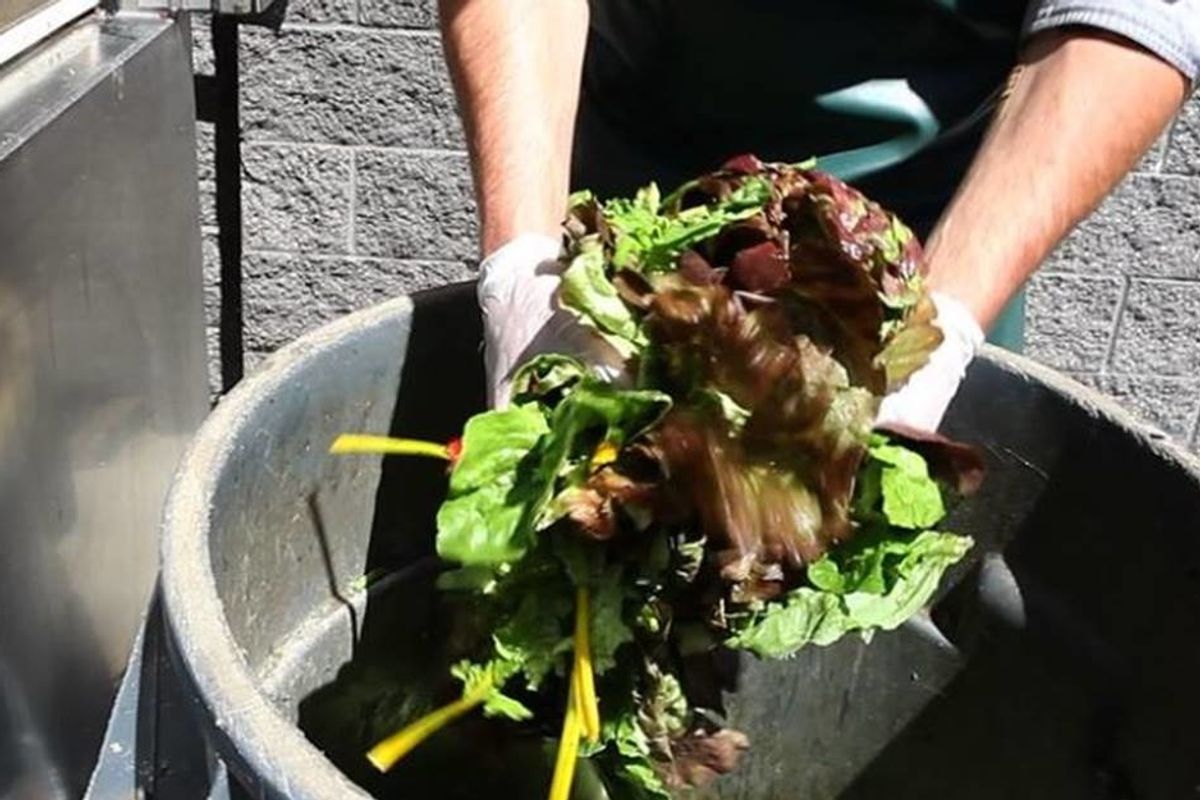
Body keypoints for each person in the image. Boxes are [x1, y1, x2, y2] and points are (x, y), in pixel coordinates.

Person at [437, 0, 1197, 429]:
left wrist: (944, 323)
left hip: (928, 267)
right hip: (625, 240)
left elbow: (1131, 16)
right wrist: (523, 263)